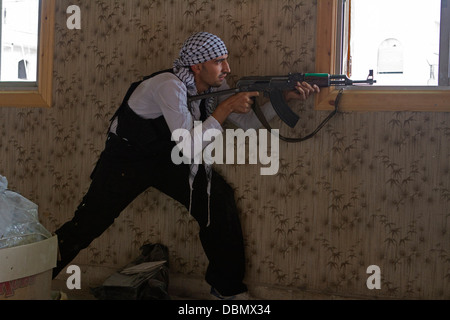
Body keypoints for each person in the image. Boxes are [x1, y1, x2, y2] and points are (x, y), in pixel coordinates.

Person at [52, 32, 319, 299]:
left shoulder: (209, 90)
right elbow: (190, 146)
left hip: (167, 158)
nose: (227, 69)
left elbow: (249, 124)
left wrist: (284, 99)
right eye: (219, 62)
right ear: (197, 66)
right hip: (127, 159)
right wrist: (224, 109)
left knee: (218, 198)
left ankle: (226, 290)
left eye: (226, 60)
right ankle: (31, 276)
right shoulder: (170, 85)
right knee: (87, 224)